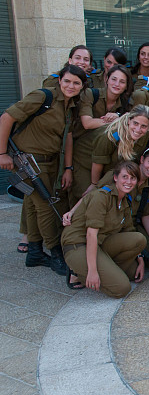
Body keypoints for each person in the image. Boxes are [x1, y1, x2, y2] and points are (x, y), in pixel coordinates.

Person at [0, 64, 84, 275]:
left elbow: (68, 138)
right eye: (67, 81)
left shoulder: (70, 105)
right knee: (46, 206)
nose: (71, 86)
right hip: (28, 161)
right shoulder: (43, 97)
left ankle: (35, 251)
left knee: (34, 204)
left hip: (49, 163)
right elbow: (6, 118)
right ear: (59, 80)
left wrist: (68, 167)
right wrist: (2, 154)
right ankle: (55, 253)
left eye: (76, 83)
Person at [61, 161, 147, 296]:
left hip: (100, 244)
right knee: (122, 288)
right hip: (78, 244)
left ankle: (107, 269)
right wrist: (92, 271)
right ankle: (78, 272)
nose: (128, 181)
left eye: (133, 178)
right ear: (115, 178)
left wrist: (140, 259)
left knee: (139, 241)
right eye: (125, 177)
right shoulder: (101, 197)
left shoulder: (125, 201)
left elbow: (129, 231)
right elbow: (90, 235)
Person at [72, 64, 133, 204]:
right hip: (83, 155)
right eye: (114, 79)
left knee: (100, 199)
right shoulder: (91, 94)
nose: (117, 84)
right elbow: (87, 123)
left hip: (103, 158)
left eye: (122, 81)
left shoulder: (124, 103)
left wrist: (119, 118)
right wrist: (118, 121)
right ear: (106, 79)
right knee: (82, 196)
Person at [90, 105, 149, 185]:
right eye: (135, 123)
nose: (138, 129)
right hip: (88, 159)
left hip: (112, 171)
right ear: (129, 120)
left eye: (143, 126)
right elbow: (98, 162)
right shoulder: (112, 136)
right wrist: (94, 184)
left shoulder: (147, 135)